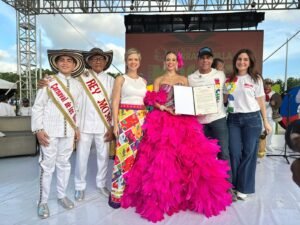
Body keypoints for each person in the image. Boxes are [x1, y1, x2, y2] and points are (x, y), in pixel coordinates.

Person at [121, 51, 232, 222]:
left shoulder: (184, 80)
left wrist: (193, 108)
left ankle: (185, 195)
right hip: (163, 121)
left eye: (173, 60)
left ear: (177, 62)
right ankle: (164, 197)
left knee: (189, 157)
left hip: (183, 121)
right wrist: (164, 108)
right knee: (163, 159)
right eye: (168, 60)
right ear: (164, 62)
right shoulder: (158, 80)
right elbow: (153, 102)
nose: (171, 62)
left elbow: (190, 99)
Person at [32, 49, 84, 219]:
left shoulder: (77, 85)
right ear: (56, 63)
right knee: (47, 167)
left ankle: (61, 195)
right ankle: (43, 201)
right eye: (62, 60)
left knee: (64, 164)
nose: (65, 63)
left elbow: (76, 109)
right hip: (49, 132)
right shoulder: (48, 81)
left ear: (75, 64)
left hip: (68, 132)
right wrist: (38, 129)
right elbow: (38, 106)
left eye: (69, 60)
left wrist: (76, 128)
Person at [224, 49, 272, 200]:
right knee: (234, 152)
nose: (242, 62)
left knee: (249, 153)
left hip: (252, 119)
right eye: (239, 59)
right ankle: (233, 185)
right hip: (233, 120)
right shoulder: (229, 79)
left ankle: (243, 187)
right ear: (235, 61)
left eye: (245, 59)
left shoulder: (256, 79)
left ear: (250, 62)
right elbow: (224, 99)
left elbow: (261, 102)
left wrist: (266, 122)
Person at [108, 48, 147, 209]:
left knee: (138, 158)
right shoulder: (120, 79)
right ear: (126, 61)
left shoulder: (144, 81)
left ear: (139, 61)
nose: (133, 62)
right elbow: (115, 102)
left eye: (136, 59)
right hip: (125, 119)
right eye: (130, 59)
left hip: (142, 120)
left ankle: (132, 193)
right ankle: (116, 195)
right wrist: (115, 124)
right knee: (123, 158)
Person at [188, 47, 232, 188]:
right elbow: (188, 99)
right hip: (199, 123)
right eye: (202, 58)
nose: (205, 60)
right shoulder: (191, 78)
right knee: (201, 157)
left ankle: (226, 187)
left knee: (223, 153)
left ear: (212, 60)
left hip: (218, 118)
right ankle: (204, 188)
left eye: (208, 58)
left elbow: (227, 91)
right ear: (198, 60)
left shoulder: (220, 74)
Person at [74, 48, 115, 201]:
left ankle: (101, 184)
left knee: (103, 157)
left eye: (101, 59)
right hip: (83, 125)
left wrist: (111, 126)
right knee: (81, 157)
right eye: (94, 58)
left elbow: (113, 104)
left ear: (105, 62)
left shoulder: (111, 80)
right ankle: (79, 186)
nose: (98, 61)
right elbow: (74, 102)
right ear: (89, 61)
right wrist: (75, 126)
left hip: (103, 125)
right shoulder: (80, 78)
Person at [263, 78, 276, 153]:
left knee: (271, 131)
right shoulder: (261, 93)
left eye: (269, 84)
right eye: (266, 84)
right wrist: (269, 103)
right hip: (261, 115)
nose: (268, 86)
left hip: (270, 115)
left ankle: (268, 145)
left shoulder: (274, 93)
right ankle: (262, 146)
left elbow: (276, 104)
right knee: (262, 132)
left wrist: (274, 104)